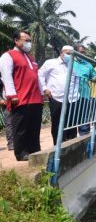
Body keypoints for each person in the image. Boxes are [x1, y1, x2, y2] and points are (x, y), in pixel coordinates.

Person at [0, 30, 43, 161]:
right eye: (26, 40)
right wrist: (11, 95)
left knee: (34, 127)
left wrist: (42, 92)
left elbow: (37, 77)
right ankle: (21, 153)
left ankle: (34, 150)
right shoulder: (8, 56)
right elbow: (6, 76)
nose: (28, 43)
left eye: (29, 41)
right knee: (21, 127)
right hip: (20, 98)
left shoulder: (30, 58)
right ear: (16, 41)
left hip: (35, 98)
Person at [39, 46, 80, 145]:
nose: (69, 56)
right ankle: (58, 145)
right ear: (62, 52)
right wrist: (44, 88)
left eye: (71, 54)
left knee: (72, 123)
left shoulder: (73, 65)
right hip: (56, 97)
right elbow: (40, 74)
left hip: (72, 98)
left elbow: (76, 79)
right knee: (57, 123)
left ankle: (71, 144)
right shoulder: (50, 62)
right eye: (68, 53)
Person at [74, 45, 96, 135]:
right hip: (71, 95)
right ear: (75, 52)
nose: (82, 54)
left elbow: (94, 79)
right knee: (71, 118)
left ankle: (84, 138)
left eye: (84, 52)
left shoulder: (88, 65)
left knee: (84, 118)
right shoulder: (69, 62)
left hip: (84, 95)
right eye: (81, 52)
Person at [0, 78, 14, 151]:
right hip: (5, 102)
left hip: (15, 100)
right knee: (9, 123)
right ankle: (11, 143)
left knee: (18, 122)